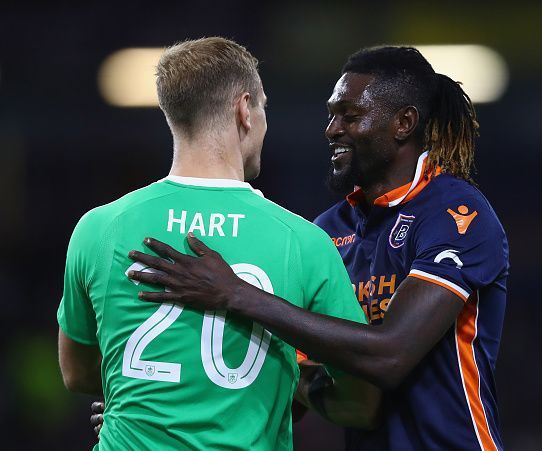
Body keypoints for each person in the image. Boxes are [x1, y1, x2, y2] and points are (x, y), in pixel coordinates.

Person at [126, 46, 509, 450]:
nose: (332, 129)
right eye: (331, 115)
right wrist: (148, 422)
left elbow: (390, 354)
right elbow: (290, 389)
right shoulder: (325, 232)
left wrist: (235, 293)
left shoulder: (456, 213)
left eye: (350, 115)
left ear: (404, 123)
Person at [57, 37, 380, 450]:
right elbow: (362, 401)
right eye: (264, 106)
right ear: (245, 109)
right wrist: (281, 380)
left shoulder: (98, 227)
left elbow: (78, 373)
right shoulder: (304, 242)